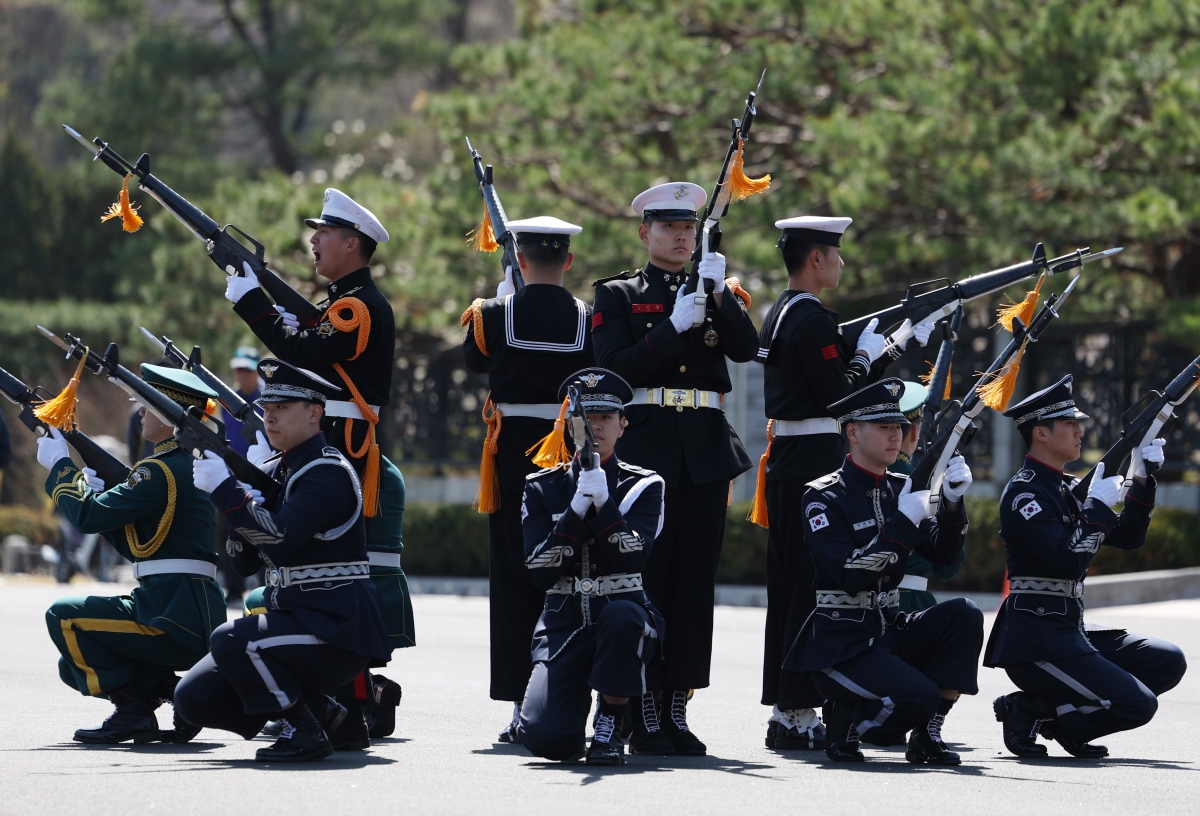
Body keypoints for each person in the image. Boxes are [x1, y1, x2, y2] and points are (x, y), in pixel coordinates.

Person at [225, 188, 411, 738]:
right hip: (329, 438)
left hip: (340, 445)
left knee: (329, 577)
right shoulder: (341, 305)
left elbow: (302, 354)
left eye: (323, 234)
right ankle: (332, 702)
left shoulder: (356, 307)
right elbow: (309, 345)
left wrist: (251, 301)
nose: (313, 241)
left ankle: (349, 706)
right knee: (310, 577)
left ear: (351, 244)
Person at [590, 182, 756, 755]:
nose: (682, 236)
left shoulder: (714, 287)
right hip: (648, 451)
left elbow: (744, 348)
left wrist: (718, 294)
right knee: (648, 577)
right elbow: (611, 367)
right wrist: (670, 329)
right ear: (645, 233)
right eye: (669, 228)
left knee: (693, 581)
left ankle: (678, 704)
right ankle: (643, 706)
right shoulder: (617, 294)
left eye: (689, 228)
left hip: (705, 451)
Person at [753, 216, 930, 750]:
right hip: (812, 454)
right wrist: (874, 354)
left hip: (789, 453)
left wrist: (889, 347)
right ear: (816, 259)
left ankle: (790, 707)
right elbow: (840, 397)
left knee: (790, 588)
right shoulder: (811, 319)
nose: (842, 263)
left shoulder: (781, 311)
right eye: (835, 254)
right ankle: (798, 707)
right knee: (812, 589)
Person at [174, 359, 392, 762]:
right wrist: (244, 499)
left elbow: (278, 541)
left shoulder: (326, 471)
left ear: (315, 413)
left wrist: (227, 492)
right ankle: (331, 718)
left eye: (282, 409)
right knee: (193, 698)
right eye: (267, 409)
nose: (269, 417)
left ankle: (305, 731)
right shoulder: (281, 471)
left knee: (231, 640)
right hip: (299, 619)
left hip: (335, 628)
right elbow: (242, 563)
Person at [986, 375, 1187, 758]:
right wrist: (1095, 507)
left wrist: (1144, 478)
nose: (1080, 431)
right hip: (1036, 640)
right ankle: (1032, 710)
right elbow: (1068, 559)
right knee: (1139, 704)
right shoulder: (1024, 492)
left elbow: (1128, 537)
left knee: (1167, 660)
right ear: (1041, 434)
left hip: (1069, 629)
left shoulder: (1067, 488)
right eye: (1070, 424)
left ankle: (1050, 713)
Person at [783, 379, 982, 764]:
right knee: (918, 698)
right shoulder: (822, 496)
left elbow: (944, 557)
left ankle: (927, 735)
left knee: (965, 615)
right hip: (842, 641)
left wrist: (953, 505)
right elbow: (850, 573)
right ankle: (848, 718)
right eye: (884, 428)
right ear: (853, 432)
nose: (897, 436)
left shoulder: (898, 488)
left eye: (899, 428)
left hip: (888, 627)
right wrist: (903, 525)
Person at [39, 365, 227, 744]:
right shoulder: (190, 466)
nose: (140, 413)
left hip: (170, 614)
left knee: (64, 619)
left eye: (146, 406)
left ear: (171, 415)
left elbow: (86, 515)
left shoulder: (158, 471)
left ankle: (133, 713)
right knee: (73, 661)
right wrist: (101, 496)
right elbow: (140, 547)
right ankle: (176, 695)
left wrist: (62, 467)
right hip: (191, 610)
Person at [462, 216, 596, 742]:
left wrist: (500, 301)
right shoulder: (589, 317)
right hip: (567, 452)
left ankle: (522, 700)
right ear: (567, 260)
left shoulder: (493, 314)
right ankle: (572, 694)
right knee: (569, 572)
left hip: (512, 456)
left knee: (515, 577)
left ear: (518, 260)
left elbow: (474, 361)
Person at [517, 368, 665, 765]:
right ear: (568, 425)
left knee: (621, 619)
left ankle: (611, 721)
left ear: (622, 425)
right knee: (546, 740)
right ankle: (571, 712)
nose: (594, 428)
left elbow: (631, 556)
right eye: (586, 419)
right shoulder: (541, 486)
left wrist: (604, 505)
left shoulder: (645, 485)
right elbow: (539, 570)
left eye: (605, 419)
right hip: (564, 624)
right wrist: (576, 509)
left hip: (620, 615)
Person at [890, 382, 965, 614]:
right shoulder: (921, 485)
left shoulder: (855, 480)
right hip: (913, 606)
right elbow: (947, 569)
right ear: (914, 431)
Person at [224, 345, 262, 458]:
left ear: (258, 371)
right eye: (240, 369)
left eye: (248, 369)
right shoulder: (226, 398)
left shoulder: (269, 401)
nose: (243, 374)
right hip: (232, 468)